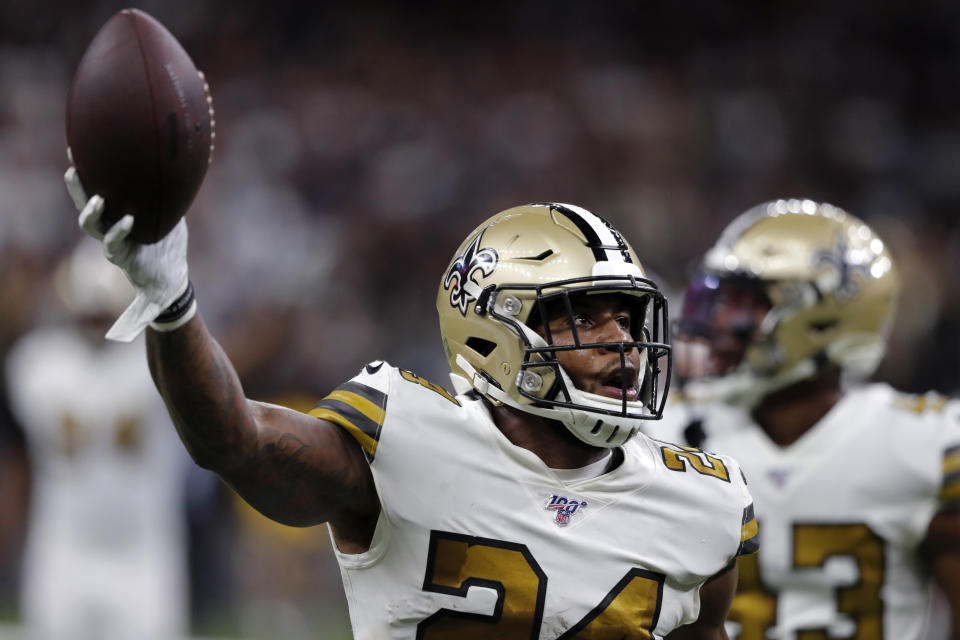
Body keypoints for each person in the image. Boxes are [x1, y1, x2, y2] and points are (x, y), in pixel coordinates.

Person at [66, 157, 759, 638]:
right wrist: (171, 303)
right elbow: (232, 438)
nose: (623, 344)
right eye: (586, 317)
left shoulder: (702, 504)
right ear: (494, 335)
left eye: (629, 320)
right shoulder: (407, 438)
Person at [642, 198, 960, 639]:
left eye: (746, 303)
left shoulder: (925, 445)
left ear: (822, 319)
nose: (718, 320)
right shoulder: (660, 432)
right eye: (719, 298)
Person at [4, 238, 191, 640]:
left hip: (144, 548)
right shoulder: (39, 362)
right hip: (63, 547)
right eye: (89, 312)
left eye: (103, 311)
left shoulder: (155, 360)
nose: (97, 322)